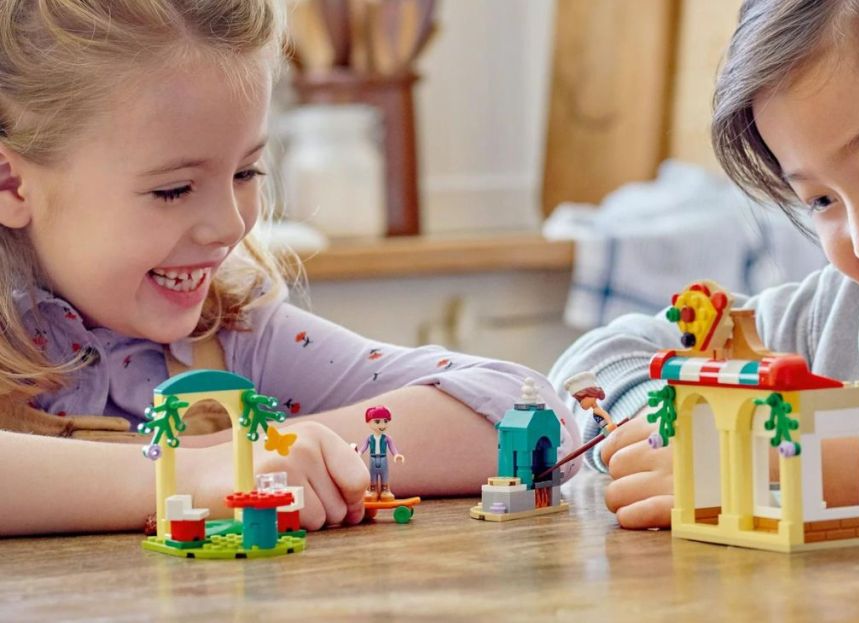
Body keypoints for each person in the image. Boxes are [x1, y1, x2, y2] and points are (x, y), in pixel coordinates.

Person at [0, 0, 579, 537]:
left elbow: (528, 412)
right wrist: (198, 473)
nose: (229, 225)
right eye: (174, 189)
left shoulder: (231, 338)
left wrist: (270, 449)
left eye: (246, 173)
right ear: (10, 182)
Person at [551, 0, 859, 529]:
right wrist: (674, 435)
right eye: (821, 201)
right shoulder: (845, 315)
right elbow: (602, 357)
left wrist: (768, 455)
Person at [358, 406, 405, 502]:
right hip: (373, 459)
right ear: (369, 422)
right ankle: (373, 491)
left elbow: (392, 448)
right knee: (373, 476)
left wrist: (396, 454)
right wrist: (359, 452)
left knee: (385, 475)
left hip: (383, 459)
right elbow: (363, 447)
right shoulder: (369, 438)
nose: (382, 425)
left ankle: (386, 491)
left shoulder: (387, 438)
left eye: (386, 421)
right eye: (377, 422)